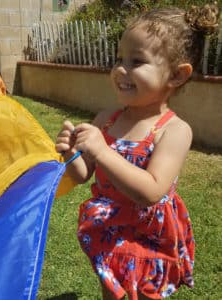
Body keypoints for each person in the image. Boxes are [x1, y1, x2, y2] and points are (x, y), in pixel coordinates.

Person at [56, 3, 219, 300]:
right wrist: (71, 154)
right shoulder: (107, 119)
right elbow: (83, 176)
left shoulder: (174, 130)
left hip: (150, 237)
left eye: (136, 61)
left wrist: (104, 152)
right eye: (119, 58)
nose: (121, 69)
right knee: (111, 291)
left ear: (177, 76)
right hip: (109, 229)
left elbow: (152, 190)